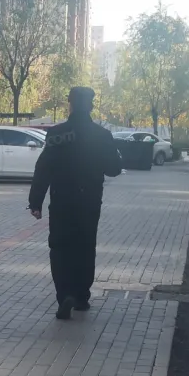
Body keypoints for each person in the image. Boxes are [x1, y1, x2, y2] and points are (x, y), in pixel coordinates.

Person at [28, 86, 123, 320]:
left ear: (69, 104)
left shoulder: (56, 134)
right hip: (89, 202)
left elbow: (43, 168)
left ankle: (64, 295)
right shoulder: (101, 135)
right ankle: (81, 296)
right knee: (85, 247)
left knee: (60, 248)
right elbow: (114, 169)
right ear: (90, 106)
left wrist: (35, 201)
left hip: (61, 202)